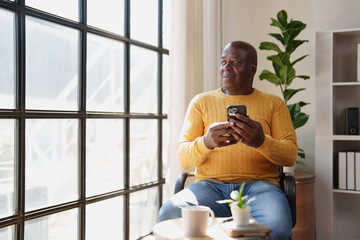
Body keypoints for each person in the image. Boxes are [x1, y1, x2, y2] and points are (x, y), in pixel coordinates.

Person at [158, 41, 298, 239]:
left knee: (278, 228)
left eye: (235, 62)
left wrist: (261, 141)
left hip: (260, 187)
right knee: (169, 213)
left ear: (253, 68)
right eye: (223, 62)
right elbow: (183, 158)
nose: (226, 68)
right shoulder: (201, 102)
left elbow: (290, 155)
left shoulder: (274, 104)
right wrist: (206, 142)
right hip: (209, 187)